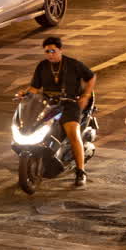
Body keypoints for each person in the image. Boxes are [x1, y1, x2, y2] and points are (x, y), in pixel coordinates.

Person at [22, 37, 95, 187]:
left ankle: (80, 171)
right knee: (33, 127)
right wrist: (25, 95)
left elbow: (91, 77)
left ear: (60, 50)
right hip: (48, 105)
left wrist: (86, 95)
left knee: (73, 134)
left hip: (69, 104)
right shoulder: (42, 66)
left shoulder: (73, 64)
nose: (50, 54)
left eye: (53, 51)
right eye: (47, 52)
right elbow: (35, 88)